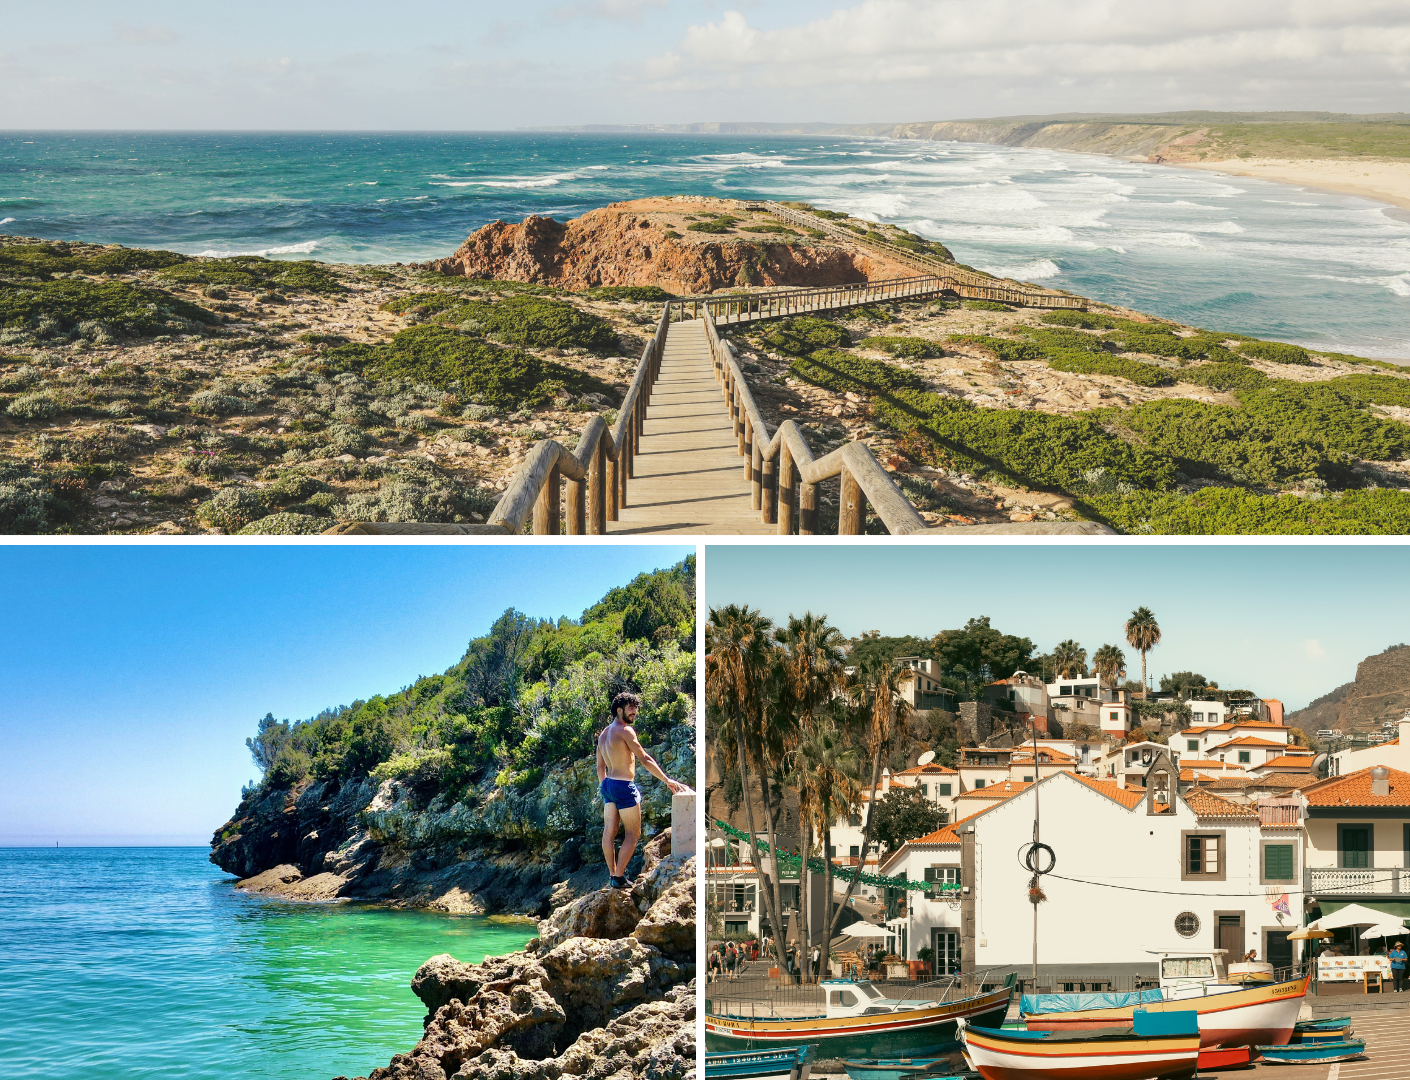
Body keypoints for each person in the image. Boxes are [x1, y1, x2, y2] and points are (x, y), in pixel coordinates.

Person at [596, 691, 688, 889]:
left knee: (609, 832)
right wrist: (666, 780)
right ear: (619, 710)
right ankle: (619, 877)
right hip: (623, 786)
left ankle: (613, 874)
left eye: (635, 708)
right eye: (631, 708)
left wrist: (604, 786)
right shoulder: (625, 731)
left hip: (608, 785)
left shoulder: (604, 733)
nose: (634, 712)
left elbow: (599, 767)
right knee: (633, 833)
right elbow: (644, 758)